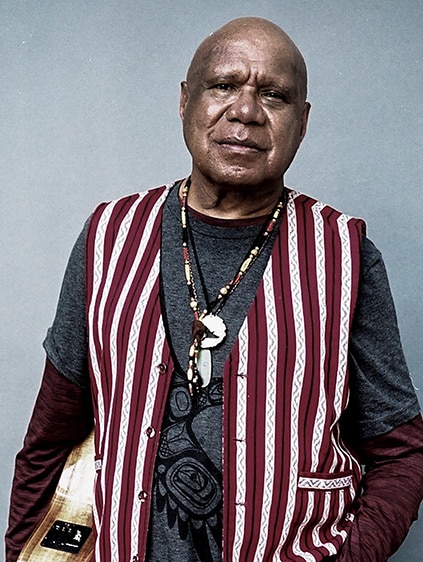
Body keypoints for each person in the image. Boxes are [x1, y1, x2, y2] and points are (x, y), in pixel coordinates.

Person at [6, 16, 423, 562]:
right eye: (223, 85)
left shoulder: (345, 254)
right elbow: (49, 439)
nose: (245, 112)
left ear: (303, 121)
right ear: (186, 101)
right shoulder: (108, 236)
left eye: (273, 95)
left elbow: (400, 453)